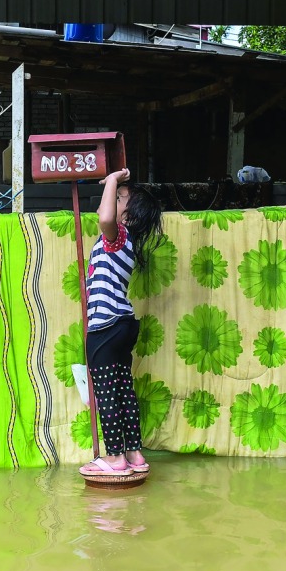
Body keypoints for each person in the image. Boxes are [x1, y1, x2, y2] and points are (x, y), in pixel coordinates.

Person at [79, 167, 164, 479]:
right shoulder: (128, 243)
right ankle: (134, 453)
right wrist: (113, 186)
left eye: (119, 199)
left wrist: (113, 179)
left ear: (127, 217)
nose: (112, 200)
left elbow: (104, 218)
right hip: (123, 325)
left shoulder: (117, 236)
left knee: (107, 393)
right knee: (124, 391)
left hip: (104, 326)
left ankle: (114, 457)